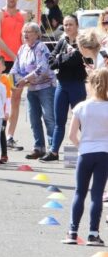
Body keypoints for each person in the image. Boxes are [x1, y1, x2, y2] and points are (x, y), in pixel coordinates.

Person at [62, 67, 108, 247]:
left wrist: (83, 147)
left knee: (79, 192)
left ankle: (72, 232)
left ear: (90, 84)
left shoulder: (81, 107)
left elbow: (72, 135)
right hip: (104, 153)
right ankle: (93, 233)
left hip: (85, 152)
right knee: (97, 194)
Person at [10, 22, 56, 160]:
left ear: (37, 34)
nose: (26, 34)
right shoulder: (22, 49)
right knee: (33, 118)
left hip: (46, 87)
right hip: (31, 88)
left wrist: (25, 79)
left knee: (48, 117)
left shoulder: (41, 47)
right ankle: (39, 148)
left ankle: (53, 149)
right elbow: (15, 68)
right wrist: (14, 80)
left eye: (29, 31)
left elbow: (43, 68)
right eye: (24, 31)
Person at [45, 14, 87, 162]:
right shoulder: (62, 41)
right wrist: (62, 59)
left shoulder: (81, 42)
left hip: (76, 85)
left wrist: (60, 60)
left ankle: (89, 149)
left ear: (77, 26)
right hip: (61, 85)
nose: (68, 27)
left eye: (71, 24)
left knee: (81, 120)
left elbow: (76, 59)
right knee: (59, 121)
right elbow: (51, 61)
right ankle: (54, 151)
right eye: (66, 25)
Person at [0, 0, 26, 151]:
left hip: (18, 62)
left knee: (16, 98)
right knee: (1, 98)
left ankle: (9, 136)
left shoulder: (22, 15)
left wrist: (23, 57)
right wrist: (14, 56)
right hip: (2, 62)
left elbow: (25, 38)